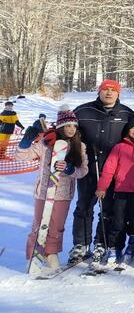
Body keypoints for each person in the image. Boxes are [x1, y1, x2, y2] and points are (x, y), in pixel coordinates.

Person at [69, 79, 134, 264]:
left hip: (113, 171)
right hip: (87, 168)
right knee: (84, 206)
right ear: (99, 91)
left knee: (107, 209)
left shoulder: (127, 114)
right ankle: (81, 244)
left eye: (112, 90)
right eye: (105, 89)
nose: (108, 93)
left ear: (118, 93)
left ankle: (101, 242)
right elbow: (66, 131)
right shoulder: (83, 111)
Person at [16, 108, 89, 269]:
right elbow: (22, 156)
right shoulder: (46, 144)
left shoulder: (79, 146)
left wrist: (70, 170)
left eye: (74, 126)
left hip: (63, 194)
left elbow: (83, 171)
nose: (71, 129)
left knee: (56, 226)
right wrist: (25, 143)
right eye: (67, 126)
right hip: (43, 191)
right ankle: (33, 255)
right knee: (39, 224)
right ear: (60, 127)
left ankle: (51, 254)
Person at [95, 116, 134, 265]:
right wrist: (102, 187)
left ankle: (133, 244)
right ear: (128, 130)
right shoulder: (119, 147)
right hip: (121, 191)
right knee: (118, 221)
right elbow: (109, 168)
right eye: (133, 128)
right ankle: (114, 247)